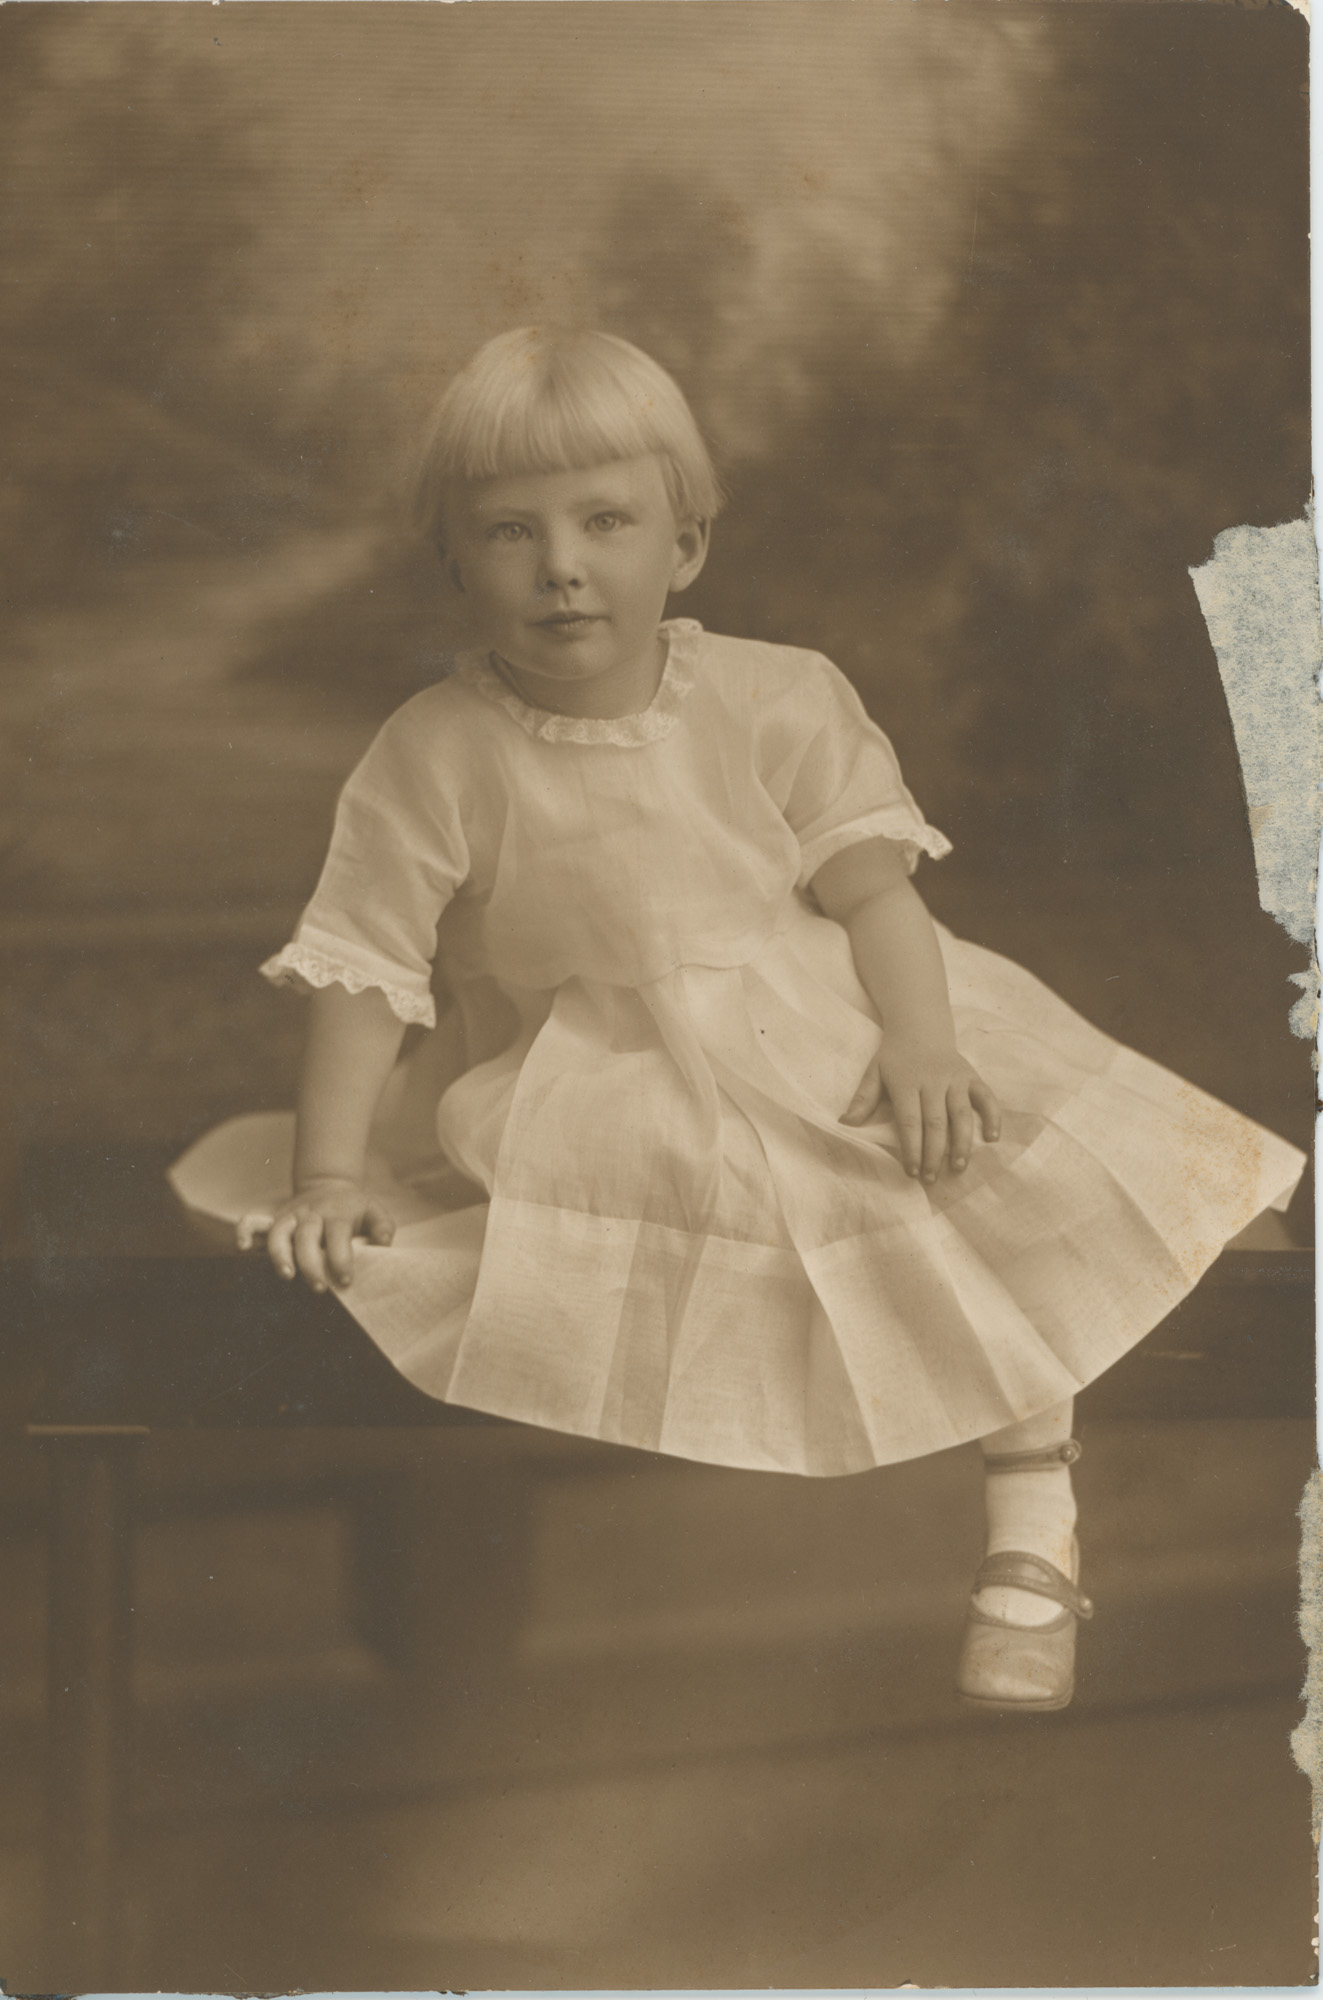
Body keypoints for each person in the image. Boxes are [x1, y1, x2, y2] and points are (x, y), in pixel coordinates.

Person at [170, 326, 1305, 1714]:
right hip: (595, 1073)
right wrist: (329, 1174)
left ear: (687, 545)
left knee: (962, 1160)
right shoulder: (434, 752)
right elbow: (364, 974)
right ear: (455, 563)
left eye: (605, 521)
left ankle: (1031, 1520)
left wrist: (923, 1042)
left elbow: (877, 899)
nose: (562, 565)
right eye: (511, 533)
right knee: (763, 1205)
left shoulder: (777, 695)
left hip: (820, 1013)